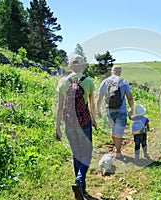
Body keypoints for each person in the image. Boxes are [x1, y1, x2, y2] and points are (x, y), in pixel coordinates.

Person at [55, 54, 97, 200]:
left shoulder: (62, 82)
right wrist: (94, 120)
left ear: (70, 67)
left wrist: (58, 128)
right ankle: (79, 181)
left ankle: (80, 188)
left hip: (69, 123)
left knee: (76, 154)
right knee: (87, 152)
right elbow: (91, 104)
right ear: (83, 66)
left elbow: (60, 107)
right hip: (84, 122)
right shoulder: (88, 81)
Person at [97, 65, 134, 158]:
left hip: (109, 110)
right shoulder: (124, 82)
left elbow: (100, 98)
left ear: (111, 71)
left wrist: (98, 110)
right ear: (120, 72)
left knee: (113, 130)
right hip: (121, 110)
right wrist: (131, 109)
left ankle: (116, 148)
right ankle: (118, 151)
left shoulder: (105, 82)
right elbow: (130, 97)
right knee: (119, 131)